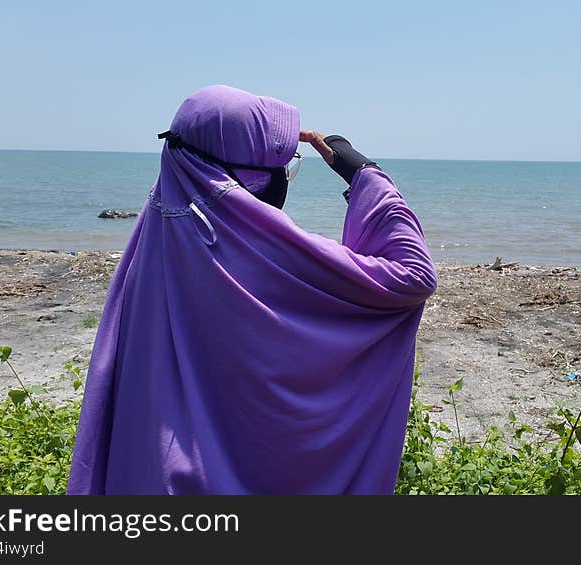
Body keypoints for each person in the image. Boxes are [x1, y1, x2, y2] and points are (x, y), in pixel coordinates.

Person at [67, 85, 437, 494]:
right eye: (279, 164)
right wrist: (365, 174)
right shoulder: (267, 255)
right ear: (244, 172)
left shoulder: (156, 240)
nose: (283, 177)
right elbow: (412, 276)